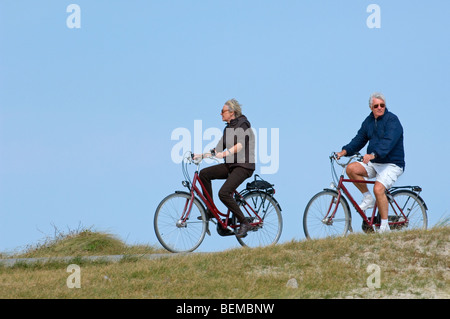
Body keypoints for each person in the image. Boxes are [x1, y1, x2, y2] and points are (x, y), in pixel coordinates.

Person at [335, 92, 405, 233]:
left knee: (378, 189)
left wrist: (373, 154)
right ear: (370, 107)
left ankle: (384, 226)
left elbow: (388, 142)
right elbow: (359, 139)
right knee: (351, 169)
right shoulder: (368, 122)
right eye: (376, 106)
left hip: (392, 163)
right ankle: (368, 199)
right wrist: (343, 152)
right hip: (375, 162)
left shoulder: (392, 121)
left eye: (382, 105)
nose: (379, 108)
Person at [194, 98, 255, 238]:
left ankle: (244, 223)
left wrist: (226, 153)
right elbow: (218, 149)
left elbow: (240, 145)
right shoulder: (227, 129)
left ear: (231, 112)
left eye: (223, 111)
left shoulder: (243, 124)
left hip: (243, 166)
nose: (220, 114)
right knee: (204, 174)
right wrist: (201, 155)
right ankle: (210, 210)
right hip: (231, 165)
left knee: (224, 193)